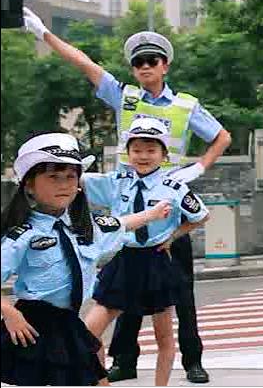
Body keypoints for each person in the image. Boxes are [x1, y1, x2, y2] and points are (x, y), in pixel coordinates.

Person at [22, 6, 230, 383]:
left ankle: (193, 360)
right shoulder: (126, 97)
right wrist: (44, 34)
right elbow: (85, 64)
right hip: (125, 202)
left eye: (152, 61)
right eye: (138, 63)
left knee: (179, 294)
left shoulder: (185, 105)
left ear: (165, 65)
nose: (145, 67)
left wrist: (198, 168)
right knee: (120, 295)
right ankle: (123, 360)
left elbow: (222, 137)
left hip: (168, 207)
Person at [1, 133, 170, 386]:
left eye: (71, 177)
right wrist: (9, 313)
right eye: (53, 177)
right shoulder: (23, 235)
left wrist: (152, 214)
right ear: (29, 185)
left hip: (68, 322)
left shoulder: (84, 227)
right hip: (33, 324)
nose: (64, 184)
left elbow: (121, 223)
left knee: (95, 379)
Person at [81, 117, 210, 387]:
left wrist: (172, 236)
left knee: (164, 338)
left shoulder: (174, 187)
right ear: (128, 153)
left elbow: (200, 216)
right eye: (137, 150)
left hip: (156, 263)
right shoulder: (116, 182)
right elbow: (77, 183)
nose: (143, 156)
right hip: (122, 260)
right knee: (87, 334)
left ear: (164, 155)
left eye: (151, 150)